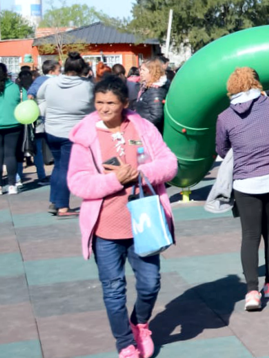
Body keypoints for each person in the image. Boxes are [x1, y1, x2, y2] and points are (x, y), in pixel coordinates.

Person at [66, 75, 177, 358]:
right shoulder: (86, 137)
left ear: (124, 103)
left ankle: (139, 324)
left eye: (110, 103)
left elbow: (169, 164)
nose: (103, 108)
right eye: (99, 102)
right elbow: (77, 183)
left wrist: (139, 174)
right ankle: (125, 343)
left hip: (144, 222)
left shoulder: (142, 127)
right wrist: (115, 182)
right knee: (114, 290)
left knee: (150, 284)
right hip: (106, 227)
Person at [216, 68, 269, 312]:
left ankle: (252, 291)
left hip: (245, 182)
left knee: (250, 236)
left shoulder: (225, 116)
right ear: (256, 84)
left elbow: (222, 150)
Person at [38, 52, 95, 216]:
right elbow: (94, 105)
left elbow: (39, 98)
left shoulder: (51, 83)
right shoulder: (87, 86)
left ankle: (54, 200)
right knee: (66, 168)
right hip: (72, 132)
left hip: (51, 129)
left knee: (58, 166)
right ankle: (63, 206)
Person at [0, 64, 26, 194]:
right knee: (11, 155)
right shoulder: (17, 88)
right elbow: (26, 103)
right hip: (14, 125)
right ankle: (12, 185)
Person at [133, 60, 169, 133]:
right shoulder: (147, 87)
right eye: (140, 69)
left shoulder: (155, 90)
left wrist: (142, 126)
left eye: (143, 70)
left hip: (149, 132)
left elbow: (156, 116)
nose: (141, 72)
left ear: (152, 72)